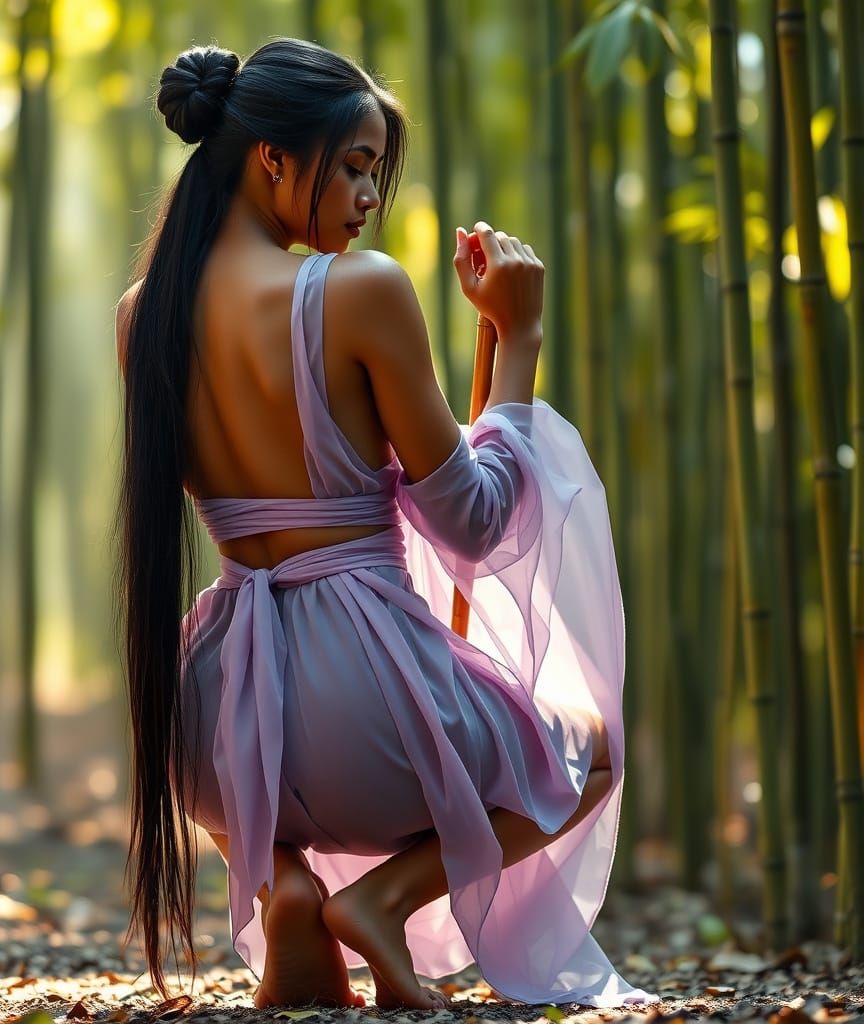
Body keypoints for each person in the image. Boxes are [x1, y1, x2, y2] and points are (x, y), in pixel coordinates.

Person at [113, 36, 657, 1014]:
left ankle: (281, 876)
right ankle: (380, 899)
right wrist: (518, 336)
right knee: (594, 747)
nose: (370, 195)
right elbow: (476, 524)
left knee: (261, 775)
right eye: (356, 165)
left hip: (213, 734)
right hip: (366, 710)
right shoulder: (359, 289)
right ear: (272, 159)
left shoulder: (140, 314)